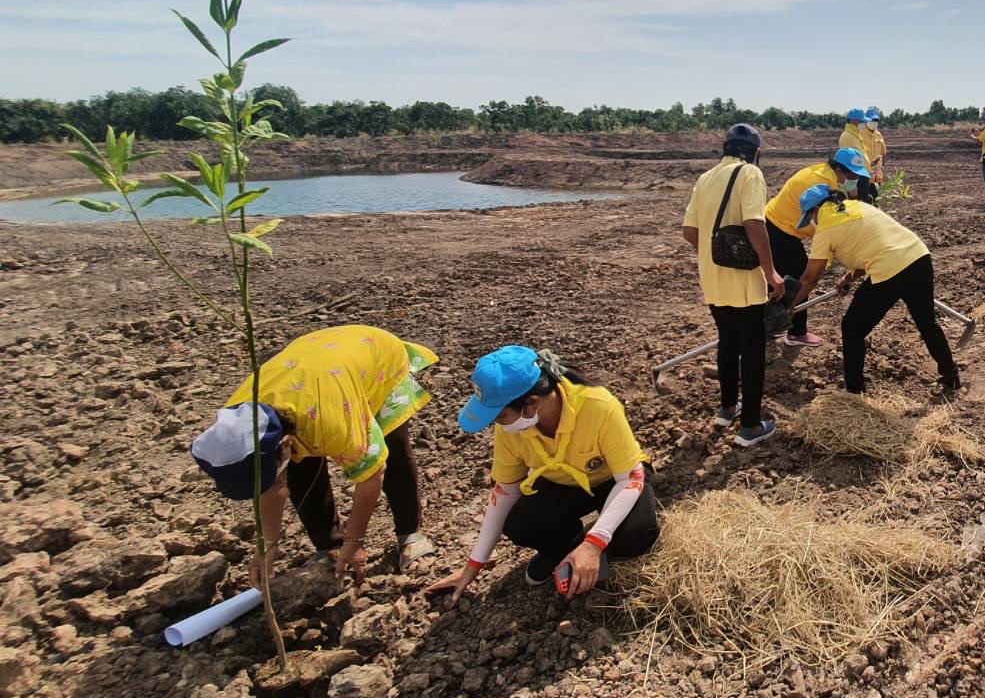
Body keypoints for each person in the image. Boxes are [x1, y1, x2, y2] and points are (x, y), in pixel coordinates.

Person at [189, 325, 438, 586]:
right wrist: (268, 545)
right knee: (298, 469)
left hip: (374, 356)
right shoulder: (238, 418)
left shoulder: (333, 423)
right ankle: (329, 546)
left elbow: (371, 475)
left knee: (393, 448)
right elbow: (270, 482)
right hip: (313, 367)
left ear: (283, 442)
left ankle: (409, 534)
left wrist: (355, 541)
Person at [426, 347, 658, 603]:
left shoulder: (598, 406)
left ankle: (594, 549)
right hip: (565, 482)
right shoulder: (511, 428)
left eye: (500, 415)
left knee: (636, 535)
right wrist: (472, 567)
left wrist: (594, 545)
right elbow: (506, 491)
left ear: (532, 403)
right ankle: (567, 547)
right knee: (520, 525)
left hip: (618, 479)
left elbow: (630, 477)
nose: (497, 424)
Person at [791, 185, 960, 397]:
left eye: (810, 216)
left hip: (890, 270)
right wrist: (849, 277)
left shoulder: (825, 227)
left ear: (815, 210)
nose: (812, 222)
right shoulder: (858, 207)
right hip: (918, 257)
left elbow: (809, 278)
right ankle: (951, 377)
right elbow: (875, 243)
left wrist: (789, 306)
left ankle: (854, 391)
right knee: (927, 324)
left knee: (852, 328)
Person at [682, 123, 786, 447]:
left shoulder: (705, 178)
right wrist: (770, 272)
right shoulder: (750, 174)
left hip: (713, 279)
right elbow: (754, 223)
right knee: (752, 350)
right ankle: (750, 426)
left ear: (725, 148)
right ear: (755, 151)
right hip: (743, 279)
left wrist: (715, 254)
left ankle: (727, 409)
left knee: (726, 342)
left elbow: (689, 231)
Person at [763, 147, 873, 348]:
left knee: (779, 279)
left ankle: (770, 327)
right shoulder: (821, 183)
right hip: (780, 229)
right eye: (852, 174)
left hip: (776, 226)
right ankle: (796, 333)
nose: (854, 179)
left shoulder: (824, 174)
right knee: (800, 279)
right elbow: (826, 226)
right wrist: (829, 257)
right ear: (840, 170)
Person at [838, 109, 876, 202]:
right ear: (854, 121)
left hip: (862, 176)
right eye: (862, 122)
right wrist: (850, 185)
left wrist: (869, 163)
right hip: (855, 179)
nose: (864, 124)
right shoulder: (847, 137)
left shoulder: (855, 135)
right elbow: (844, 162)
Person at [862, 107, 887, 183]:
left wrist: (882, 168)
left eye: (876, 120)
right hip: (865, 177)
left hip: (877, 178)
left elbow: (884, 153)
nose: (874, 122)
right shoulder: (860, 134)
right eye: (872, 120)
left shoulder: (878, 135)